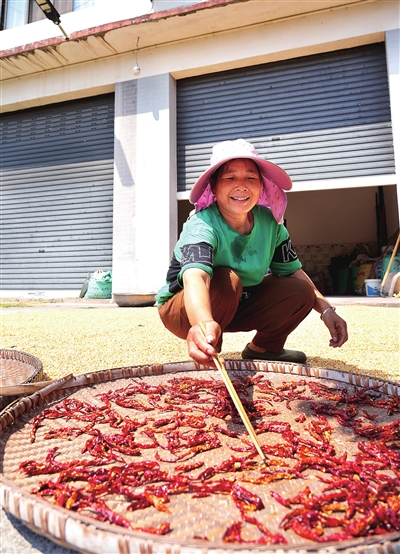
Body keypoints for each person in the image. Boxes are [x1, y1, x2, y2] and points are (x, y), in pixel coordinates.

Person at [156, 139, 348, 366]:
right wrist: (202, 321)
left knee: (301, 289)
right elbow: (196, 276)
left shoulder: (271, 223)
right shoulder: (202, 225)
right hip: (185, 310)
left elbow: (293, 273)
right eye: (229, 178)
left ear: (262, 185)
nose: (241, 185)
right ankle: (208, 349)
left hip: (239, 303)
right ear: (214, 187)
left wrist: (327, 310)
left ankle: (265, 348)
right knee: (228, 280)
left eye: (251, 177)